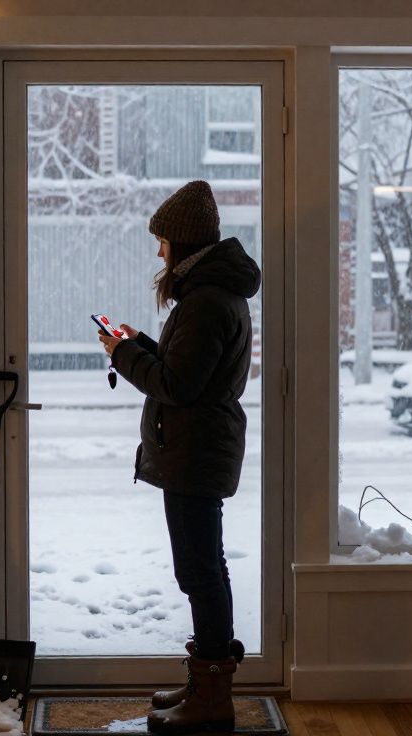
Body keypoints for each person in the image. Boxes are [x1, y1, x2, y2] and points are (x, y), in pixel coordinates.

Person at [97, 179, 260, 736]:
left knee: (201, 571)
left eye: (164, 240)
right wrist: (140, 343)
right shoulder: (210, 294)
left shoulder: (208, 299)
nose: (159, 250)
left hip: (195, 454)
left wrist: (123, 354)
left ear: (185, 243)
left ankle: (212, 698)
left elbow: (178, 385)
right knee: (203, 568)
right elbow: (184, 366)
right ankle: (204, 684)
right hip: (196, 451)